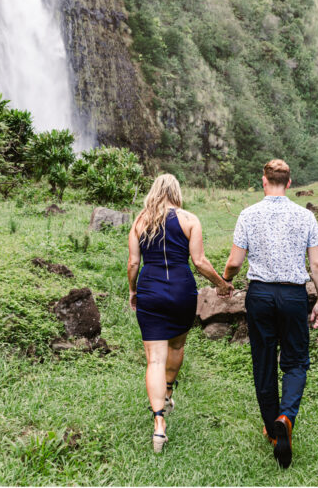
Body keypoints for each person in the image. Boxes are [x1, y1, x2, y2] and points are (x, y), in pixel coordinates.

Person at [220, 159, 318, 469]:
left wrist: (225, 281)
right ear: (290, 183)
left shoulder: (248, 214)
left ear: (264, 181)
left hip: (261, 295)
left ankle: (272, 430)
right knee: (295, 360)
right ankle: (285, 417)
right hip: (294, 295)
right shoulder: (305, 216)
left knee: (263, 360)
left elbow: (235, 261)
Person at [128, 174, 233, 453]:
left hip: (149, 291)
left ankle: (158, 425)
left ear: (154, 191)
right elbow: (199, 261)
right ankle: (169, 390)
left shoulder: (140, 221)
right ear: (176, 191)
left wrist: (132, 290)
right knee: (177, 345)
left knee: (154, 360)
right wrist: (221, 284)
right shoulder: (189, 219)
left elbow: (132, 264)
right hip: (181, 292)